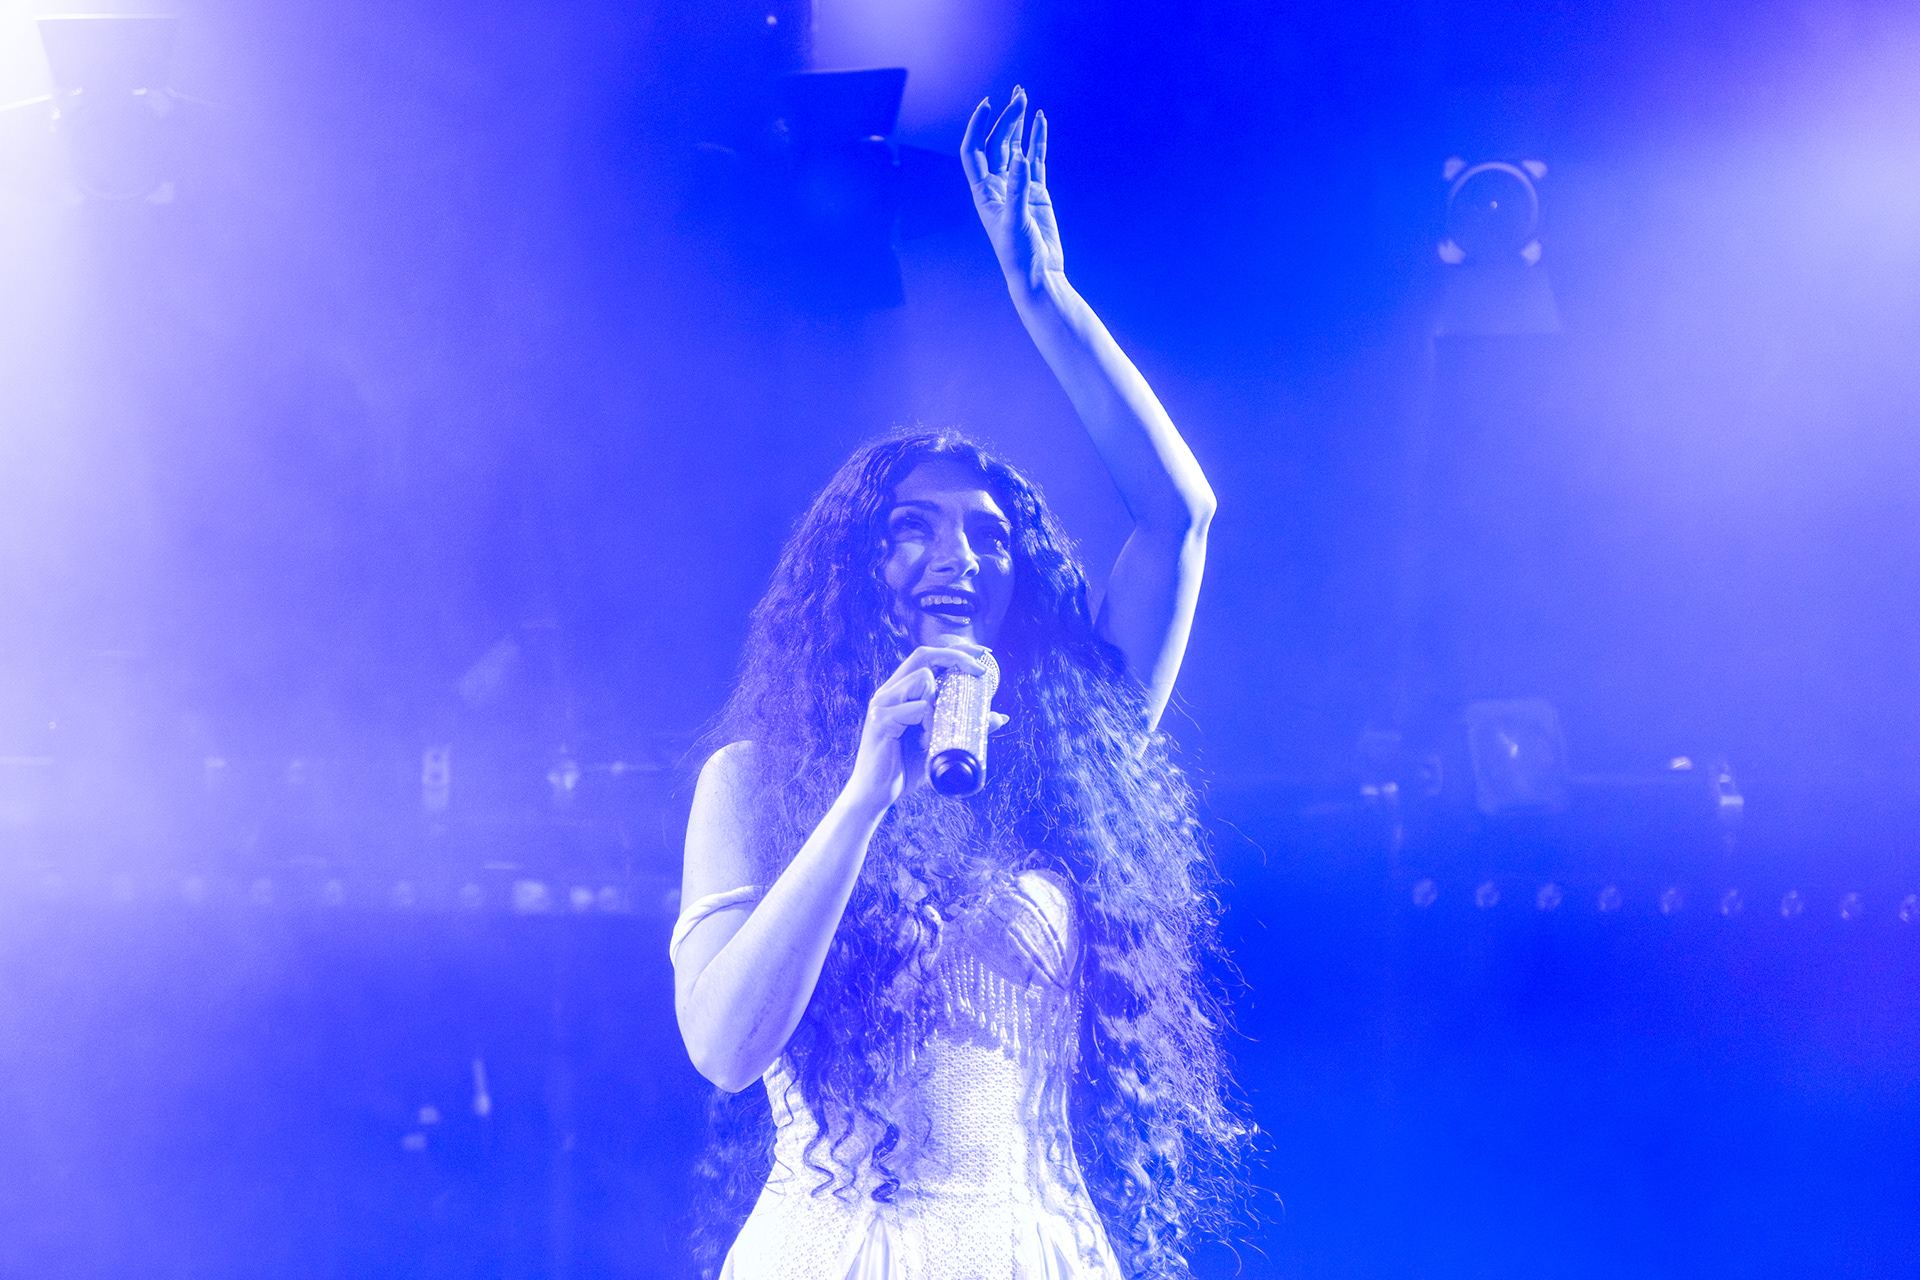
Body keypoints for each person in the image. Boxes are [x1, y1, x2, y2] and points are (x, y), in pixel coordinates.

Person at [672, 88, 1240, 1280]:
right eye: (912, 530)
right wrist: (862, 796)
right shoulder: (754, 776)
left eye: (990, 534)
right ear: (850, 567)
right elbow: (724, 1045)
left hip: (1029, 1246)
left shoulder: (1071, 755)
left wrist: (1046, 295)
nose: (960, 557)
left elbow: (1180, 516)